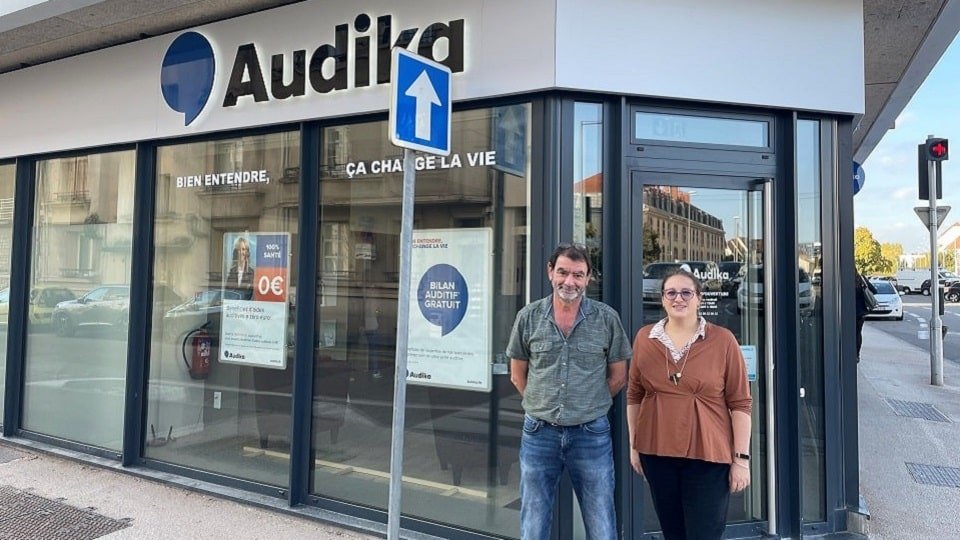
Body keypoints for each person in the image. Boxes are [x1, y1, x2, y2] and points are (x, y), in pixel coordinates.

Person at [506, 243, 633, 540]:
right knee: (533, 521)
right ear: (550, 272)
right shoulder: (528, 317)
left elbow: (618, 376)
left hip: (591, 434)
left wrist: (589, 405)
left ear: (588, 278)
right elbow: (517, 374)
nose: (569, 281)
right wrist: (541, 402)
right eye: (563, 272)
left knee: (600, 518)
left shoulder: (606, 319)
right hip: (538, 434)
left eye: (578, 274)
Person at [627, 268, 752, 540]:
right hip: (657, 453)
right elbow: (634, 395)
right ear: (662, 299)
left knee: (704, 534)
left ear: (699, 298)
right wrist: (634, 446)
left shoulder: (723, 340)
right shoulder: (645, 339)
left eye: (686, 292)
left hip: (708, 456)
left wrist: (741, 460)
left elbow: (740, 404)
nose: (678, 298)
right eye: (671, 292)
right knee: (673, 533)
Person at [854, 272, 878, 361]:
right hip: (861, 311)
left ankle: (849, 352)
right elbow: (874, 291)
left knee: (849, 333)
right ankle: (856, 355)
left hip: (849, 311)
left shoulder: (845, 279)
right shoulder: (861, 279)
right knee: (858, 333)